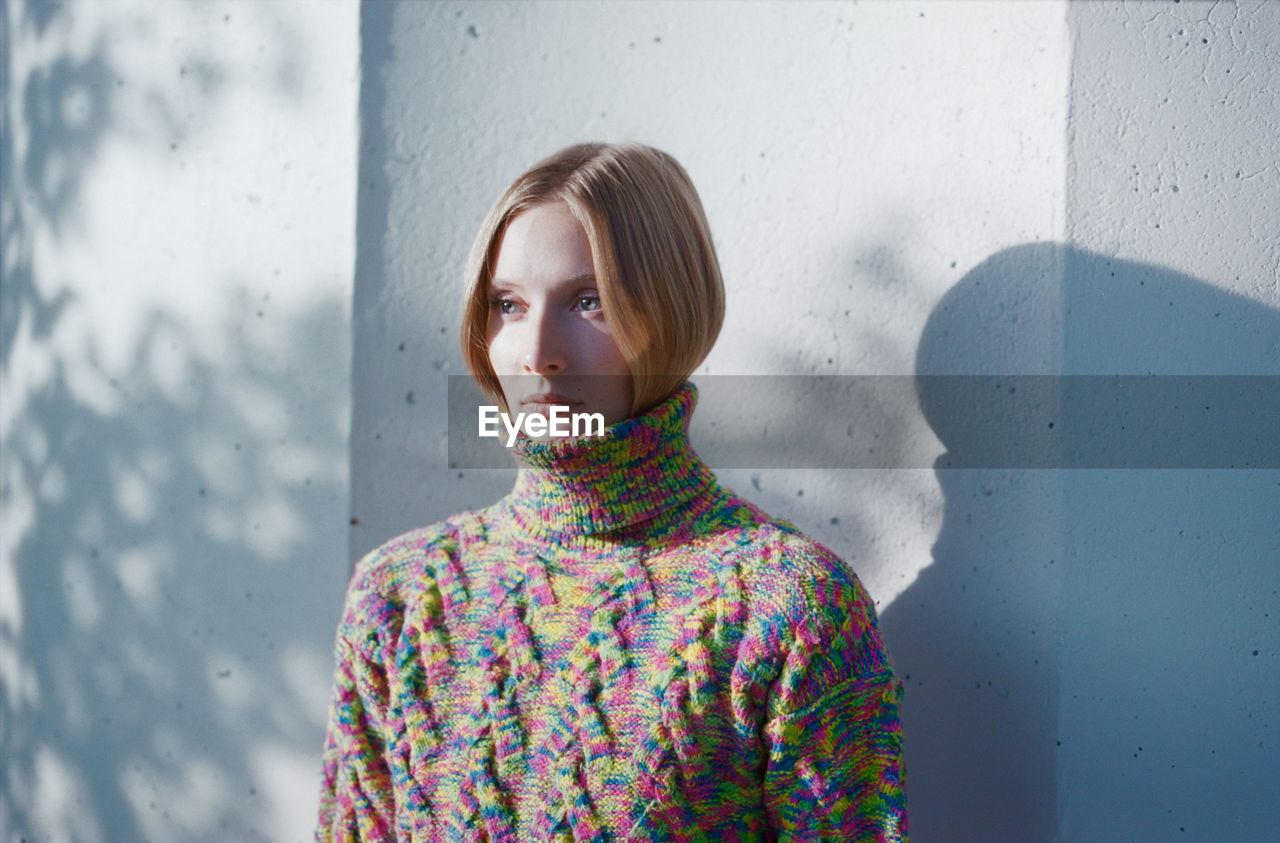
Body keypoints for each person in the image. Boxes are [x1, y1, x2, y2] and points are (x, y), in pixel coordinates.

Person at [317, 142, 907, 841]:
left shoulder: (787, 604)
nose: (538, 349)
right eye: (507, 303)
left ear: (670, 313)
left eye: (588, 301)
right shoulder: (401, 593)